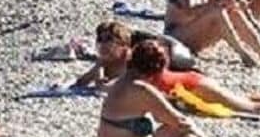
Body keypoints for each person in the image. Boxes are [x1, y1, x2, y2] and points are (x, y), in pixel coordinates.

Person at [95, 40, 250, 137]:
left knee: (170, 132)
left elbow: (168, 120)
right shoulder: (141, 90)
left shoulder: (122, 81)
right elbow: (180, 121)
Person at [68, 19, 196, 90]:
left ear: (123, 45)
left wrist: (101, 83)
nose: (103, 44)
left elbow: (125, 86)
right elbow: (82, 82)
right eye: (100, 39)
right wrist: (98, 70)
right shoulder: (106, 60)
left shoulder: (134, 60)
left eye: (109, 39)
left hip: (174, 55)